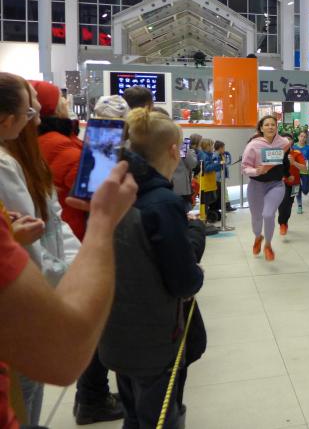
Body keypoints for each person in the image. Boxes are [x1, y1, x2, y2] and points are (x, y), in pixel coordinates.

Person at [0, 72, 137, 427]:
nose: (63, 106)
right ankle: (92, 397)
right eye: (33, 110)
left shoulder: (36, 150)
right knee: (28, 390)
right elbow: (64, 359)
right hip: (58, 263)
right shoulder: (34, 155)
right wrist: (102, 226)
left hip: (58, 256)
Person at [99, 107, 205, 429]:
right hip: (155, 335)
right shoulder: (162, 202)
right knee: (158, 415)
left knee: (133, 411)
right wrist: (195, 233)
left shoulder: (113, 189)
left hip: (116, 326)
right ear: (174, 150)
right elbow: (184, 280)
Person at [30, 81, 86, 240]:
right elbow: (94, 193)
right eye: (61, 98)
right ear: (51, 107)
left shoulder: (31, 141)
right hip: (73, 235)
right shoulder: (61, 145)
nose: (66, 102)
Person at [243, 115, 291, 261]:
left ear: (277, 127)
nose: (270, 127)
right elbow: (244, 168)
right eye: (267, 125)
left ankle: (268, 245)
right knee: (256, 217)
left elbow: (285, 160)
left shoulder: (284, 143)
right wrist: (256, 171)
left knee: (268, 214)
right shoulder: (253, 145)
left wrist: (288, 174)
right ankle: (258, 237)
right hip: (256, 185)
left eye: (273, 124)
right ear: (261, 128)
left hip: (276, 184)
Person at [277, 134, 306, 236]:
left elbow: (304, 168)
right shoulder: (277, 153)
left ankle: (285, 222)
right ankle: (282, 224)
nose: (286, 141)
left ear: (292, 142)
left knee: (289, 204)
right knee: (283, 202)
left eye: (289, 139)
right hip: (281, 183)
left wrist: (294, 163)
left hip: (295, 184)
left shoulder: (297, 153)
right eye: (284, 139)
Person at [294, 131, 309, 214]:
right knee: (297, 188)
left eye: (304, 137)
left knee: (305, 191)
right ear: (298, 137)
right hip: (295, 170)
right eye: (301, 136)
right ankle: (299, 206)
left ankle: (302, 189)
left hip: (305, 171)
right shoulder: (293, 147)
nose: (302, 138)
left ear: (306, 138)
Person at [214, 140, 236, 213]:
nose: (224, 149)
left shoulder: (222, 155)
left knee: (225, 191)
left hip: (222, 176)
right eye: (223, 148)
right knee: (222, 192)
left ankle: (227, 206)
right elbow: (217, 166)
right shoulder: (215, 156)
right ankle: (225, 206)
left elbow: (227, 163)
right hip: (218, 177)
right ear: (220, 148)